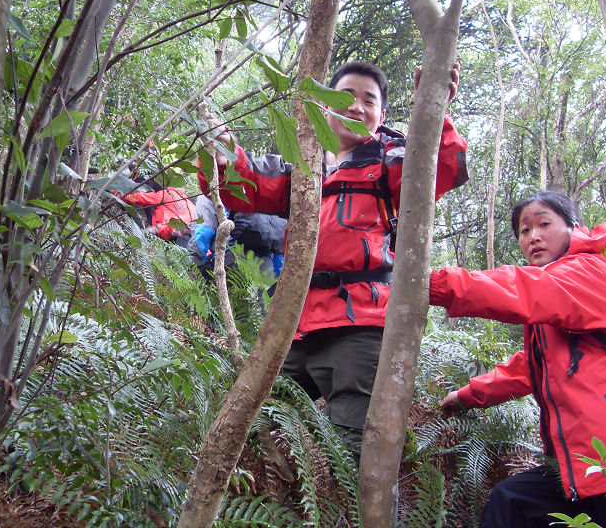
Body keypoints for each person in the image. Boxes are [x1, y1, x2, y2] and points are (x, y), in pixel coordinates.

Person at [201, 61, 468, 454]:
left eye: (369, 100)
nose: (356, 107)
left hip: (360, 324)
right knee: (265, 433)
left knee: (352, 446)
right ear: (324, 107)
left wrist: (435, 108)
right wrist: (220, 148)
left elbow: (439, 169)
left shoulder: (392, 163)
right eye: (344, 97)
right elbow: (244, 187)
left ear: (380, 114)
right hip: (294, 322)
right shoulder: (303, 171)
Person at [431, 191, 606, 528]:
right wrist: (467, 396)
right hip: (587, 464)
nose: (533, 236)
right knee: (510, 502)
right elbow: (532, 366)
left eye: (544, 224)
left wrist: (429, 283)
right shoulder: (557, 289)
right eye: (524, 230)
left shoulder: (586, 272)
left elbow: (520, 290)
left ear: (573, 228)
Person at [188, 194, 286, 282]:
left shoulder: (212, 193)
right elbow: (278, 242)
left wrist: (191, 266)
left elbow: (203, 232)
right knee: (257, 301)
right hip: (265, 268)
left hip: (231, 259)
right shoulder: (263, 196)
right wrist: (277, 275)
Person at [118, 186, 196, 247]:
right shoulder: (188, 202)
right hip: (197, 242)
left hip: (180, 237)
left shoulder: (166, 194)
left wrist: (117, 194)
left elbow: (140, 198)